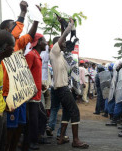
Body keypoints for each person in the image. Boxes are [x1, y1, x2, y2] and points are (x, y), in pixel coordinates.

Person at [1, 2, 40, 151]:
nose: (18, 27)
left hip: (20, 94)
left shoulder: (18, 43)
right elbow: (17, 32)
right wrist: (22, 13)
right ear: (6, 30)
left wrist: (36, 18)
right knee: (9, 129)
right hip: (8, 94)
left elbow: (30, 35)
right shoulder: (5, 42)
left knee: (20, 125)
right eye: (14, 25)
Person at [49, 17, 89, 149]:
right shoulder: (54, 52)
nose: (65, 44)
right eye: (62, 43)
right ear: (57, 45)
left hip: (62, 89)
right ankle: (76, 140)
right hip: (62, 89)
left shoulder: (59, 55)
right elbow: (63, 37)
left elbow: (63, 38)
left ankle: (61, 138)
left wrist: (62, 25)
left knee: (67, 111)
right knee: (75, 112)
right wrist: (70, 26)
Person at [23, 33, 50, 150]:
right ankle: (31, 141)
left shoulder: (37, 55)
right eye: (44, 40)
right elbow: (25, 74)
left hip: (37, 93)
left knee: (41, 118)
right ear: (39, 42)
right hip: (32, 95)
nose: (46, 43)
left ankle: (35, 138)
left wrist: (41, 85)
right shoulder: (30, 55)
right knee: (34, 119)